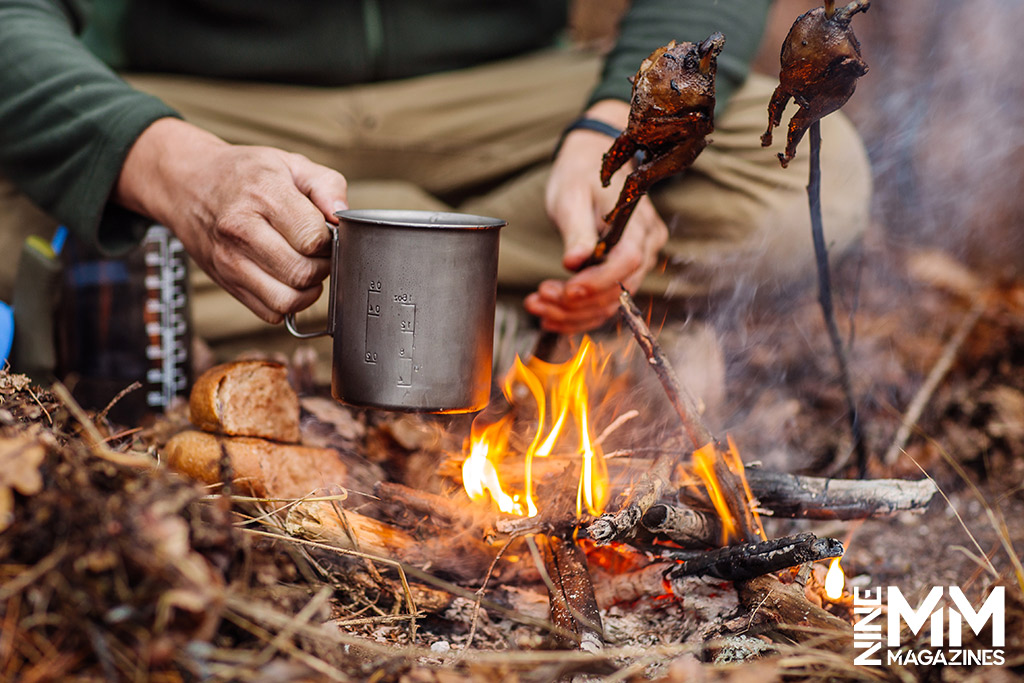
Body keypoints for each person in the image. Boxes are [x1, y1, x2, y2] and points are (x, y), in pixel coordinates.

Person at [0, 0, 870, 371]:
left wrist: (621, 134)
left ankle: (379, 291)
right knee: (21, 213)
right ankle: (504, 330)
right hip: (201, 106)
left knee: (801, 182)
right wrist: (179, 174)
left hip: (507, 94)